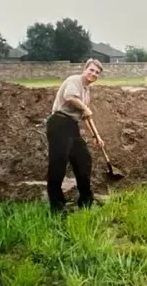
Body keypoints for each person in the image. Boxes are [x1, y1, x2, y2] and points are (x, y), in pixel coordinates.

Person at [45, 58, 105, 213]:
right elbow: (70, 97)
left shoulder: (86, 91)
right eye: (91, 70)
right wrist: (85, 108)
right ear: (84, 69)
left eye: (97, 72)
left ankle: (86, 201)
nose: (93, 74)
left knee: (84, 160)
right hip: (59, 123)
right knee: (58, 165)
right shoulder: (74, 81)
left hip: (72, 126)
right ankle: (57, 208)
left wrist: (96, 136)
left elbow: (86, 116)